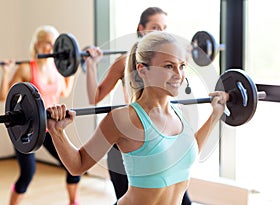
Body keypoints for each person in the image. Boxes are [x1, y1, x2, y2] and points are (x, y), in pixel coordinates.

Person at [47, 31, 227, 205]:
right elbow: (78, 165)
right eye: (168, 66)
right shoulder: (123, 119)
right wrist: (57, 132)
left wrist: (215, 115)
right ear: (142, 70)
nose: (179, 75)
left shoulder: (180, 111)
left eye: (181, 66)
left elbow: (189, 148)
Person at [85, 7, 194, 204]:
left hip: (159, 139)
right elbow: (95, 97)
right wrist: (91, 65)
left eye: (164, 28)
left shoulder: (171, 60)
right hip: (128, 140)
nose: (160, 32)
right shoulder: (124, 61)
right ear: (141, 29)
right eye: (155, 27)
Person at [0, 25, 80, 205]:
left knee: (73, 165)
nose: (52, 49)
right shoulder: (27, 69)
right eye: (47, 44)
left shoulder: (58, 69)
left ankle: (74, 202)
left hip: (50, 126)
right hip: (28, 126)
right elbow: (5, 96)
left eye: (54, 44)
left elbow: (65, 91)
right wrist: (6, 73)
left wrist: (73, 66)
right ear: (37, 45)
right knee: (28, 173)